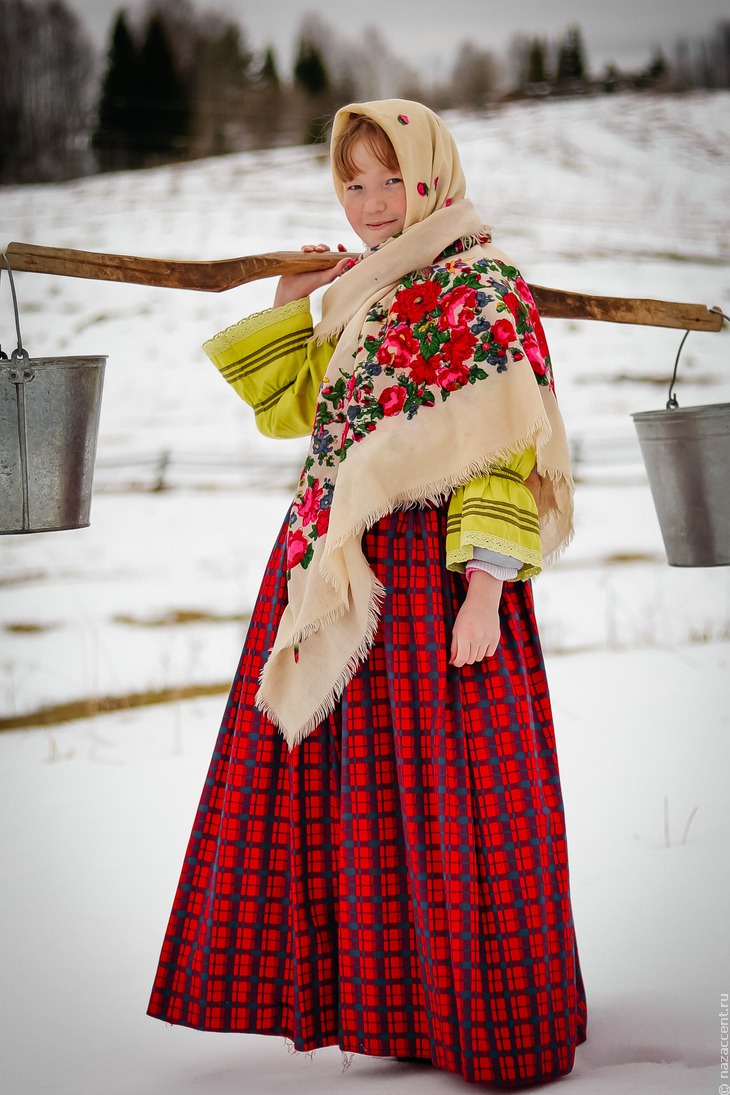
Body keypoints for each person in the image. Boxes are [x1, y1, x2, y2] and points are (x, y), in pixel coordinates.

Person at [148, 99, 587, 1087]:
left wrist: (484, 593)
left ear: (432, 174)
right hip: (338, 566)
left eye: (392, 179)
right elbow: (305, 413)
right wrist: (291, 294)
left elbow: (503, 446)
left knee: (460, 794)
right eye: (354, 182)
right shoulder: (360, 290)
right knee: (358, 794)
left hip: (438, 577)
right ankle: (392, 1009)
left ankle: (493, 1026)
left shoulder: (481, 286)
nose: (374, 202)